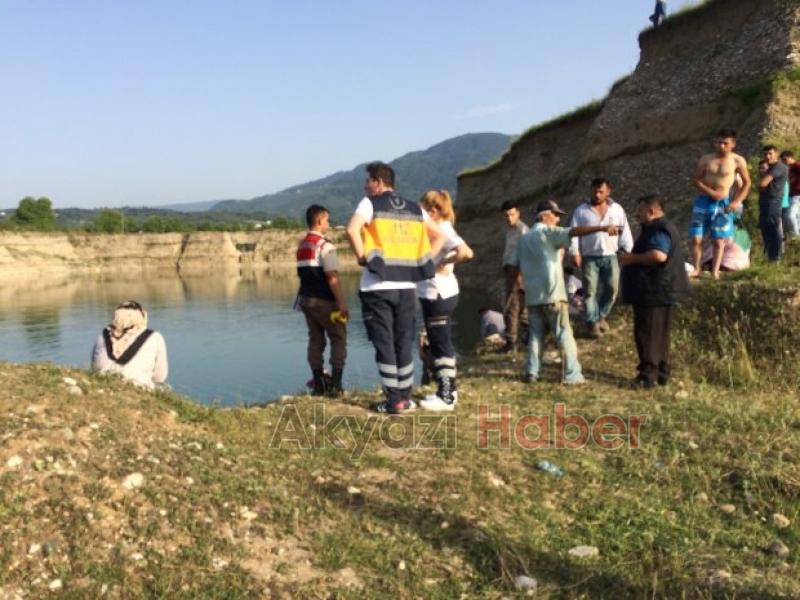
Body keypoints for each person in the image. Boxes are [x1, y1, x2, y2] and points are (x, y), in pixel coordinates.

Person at [346, 162, 445, 414]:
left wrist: (361, 256)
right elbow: (440, 237)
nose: (365, 186)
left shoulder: (370, 203)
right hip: (407, 287)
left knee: (384, 343)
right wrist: (422, 263)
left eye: (368, 181)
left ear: (378, 182)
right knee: (403, 342)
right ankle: (405, 398)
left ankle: (393, 401)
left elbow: (351, 229)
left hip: (377, 286)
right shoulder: (414, 208)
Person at [508, 200, 619, 385]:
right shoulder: (547, 232)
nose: (558, 218)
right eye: (556, 214)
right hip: (553, 294)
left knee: (536, 334)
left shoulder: (524, 238)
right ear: (545, 215)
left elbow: (513, 266)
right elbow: (572, 231)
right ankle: (571, 375)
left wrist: (521, 285)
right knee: (563, 333)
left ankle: (531, 372)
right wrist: (600, 228)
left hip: (533, 296)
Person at [620, 195, 690, 388]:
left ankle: (647, 375)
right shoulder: (665, 228)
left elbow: (658, 255)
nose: (637, 214)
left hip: (653, 290)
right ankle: (661, 372)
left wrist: (630, 259)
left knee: (647, 332)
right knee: (660, 333)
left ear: (651, 211)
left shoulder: (657, 229)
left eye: (640, 210)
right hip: (661, 289)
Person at [415, 190, 474, 411]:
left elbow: (466, 252)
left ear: (433, 210)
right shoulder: (440, 228)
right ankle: (446, 390)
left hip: (438, 293)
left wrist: (442, 263)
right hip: (436, 293)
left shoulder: (444, 229)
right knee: (438, 341)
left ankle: (447, 397)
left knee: (441, 343)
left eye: (423, 209)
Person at [568, 178, 633, 338]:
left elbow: (625, 230)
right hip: (589, 257)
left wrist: (627, 250)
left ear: (608, 192)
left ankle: (600, 316)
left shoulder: (616, 209)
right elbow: (574, 233)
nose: (597, 194)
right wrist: (574, 251)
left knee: (612, 290)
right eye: (594, 191)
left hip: (611, 256)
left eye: (601, 191)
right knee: (590, 292)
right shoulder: (581, 211)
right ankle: (592, 324)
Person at [296, 204, 348, 397]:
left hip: (306, 300)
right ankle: (336, 386)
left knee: (315, 339)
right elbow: (332, 277)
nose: (329, 223)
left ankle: (318, 384)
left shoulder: (302, 245)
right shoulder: (325, 246)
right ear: (319, 221)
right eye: (327, 220)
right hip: (324, 301)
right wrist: (342, 303)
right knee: (338, 338)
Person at [689, 129, 751, 279]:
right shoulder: (706, 159)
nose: (721, 146)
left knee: (719, 239)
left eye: (725, 143)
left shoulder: (737, 160)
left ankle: (715, 271)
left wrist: (737, 201)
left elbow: (747, 183)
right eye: (718, 142)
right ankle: (697, 268)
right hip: (704, 201)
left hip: (723, 203)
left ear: (733, 144)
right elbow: (696, 180)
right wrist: (710, 192)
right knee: (696, 237)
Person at [91, 300, 168, 390]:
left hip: (102, 383)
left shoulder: (103, 335)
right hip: (139, 387)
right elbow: (160, 377)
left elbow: (95, 366)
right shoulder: (155, 337)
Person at [499, 200, 529, 353]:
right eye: (506, 215)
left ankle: (512, 343)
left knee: (511, 308)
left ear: (518, 213)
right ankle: (525, 339)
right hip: (510, 271)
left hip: (518, 272)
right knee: (520, 308)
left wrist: (519, 277)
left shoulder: (522, 230)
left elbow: (525, 254)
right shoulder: (509, 230)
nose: (509, 218)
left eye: (511, 214)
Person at [759, 146, 789, 261]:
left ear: (777, 154)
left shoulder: (779, 167)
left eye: (770, 153)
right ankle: (768, 255)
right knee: (765, 228)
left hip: (773, 201)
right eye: (765, 154)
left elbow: (763, 183)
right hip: (766, 201)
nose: (767, 156)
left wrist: (761, 186)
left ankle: (775, 258)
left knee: (773, 229)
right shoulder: (770, 167)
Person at [781, 151, 800, 240]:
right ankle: (796, 234)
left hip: (797, 194)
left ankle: (796, 236)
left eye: (785, 159)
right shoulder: (790, 168)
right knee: (796, 216)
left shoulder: (797, 165)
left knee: (790, 215)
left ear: (790, 158)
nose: (784, 162)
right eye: (783, 160)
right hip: (792, 195)